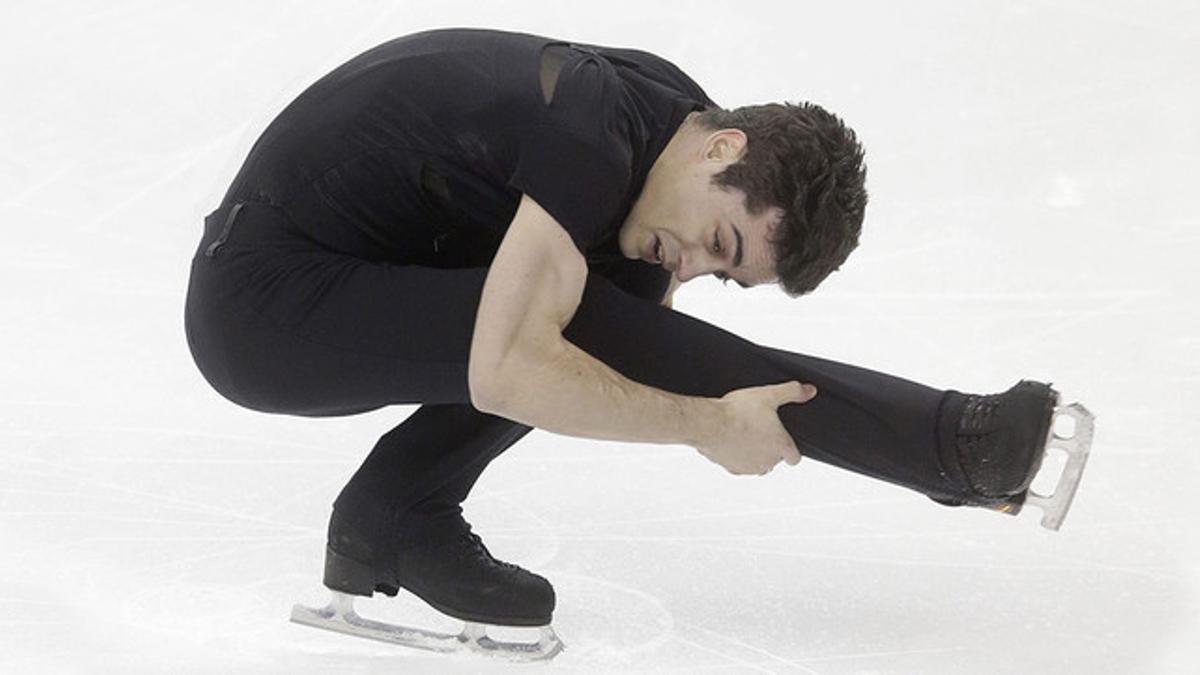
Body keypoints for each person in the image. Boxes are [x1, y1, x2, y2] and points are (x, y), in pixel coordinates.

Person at [183, 27, 1090, 659]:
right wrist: (704, 424)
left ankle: (392, 515)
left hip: (371, 257)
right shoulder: (589, 133)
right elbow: (509, 367)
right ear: (720, 149)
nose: (696, 266)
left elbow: (635, 326)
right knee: (568, 324)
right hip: (260, 305)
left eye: (724, 273)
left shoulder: (668, 117)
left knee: (622, 294)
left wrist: (693, 373)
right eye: (721, 243)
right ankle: (950, 442)